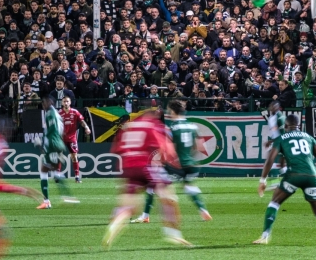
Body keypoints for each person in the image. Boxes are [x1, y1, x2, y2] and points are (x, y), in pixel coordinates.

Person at [105, 101, 191, 248]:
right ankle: (173, 234)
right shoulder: (153, 125)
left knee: (129, 206)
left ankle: (114, 225)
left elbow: (117, 148)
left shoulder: (128, 127)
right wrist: (174, 163)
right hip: (147, 166)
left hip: (128, 167)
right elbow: (164, 148)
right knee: (169, 197)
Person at [254, 114, 316, 245]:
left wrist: (263, 181)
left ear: (286, 126)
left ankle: (265, 236)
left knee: (274, 203)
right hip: (311, 176)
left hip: (293, 176)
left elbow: (270, 159)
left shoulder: (282, 138)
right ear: (299, 126)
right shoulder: (309, 137)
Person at [132, 100, 212, 223]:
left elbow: (167, 149)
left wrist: (165, 162)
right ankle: (204, 211)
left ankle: (145, 216)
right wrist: (188, 158)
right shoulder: (193, 126)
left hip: (177, 166)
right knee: (189, 187)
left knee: (151, 185)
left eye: (169, 110)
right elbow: (200, 147)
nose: (168, 113)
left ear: (173, 111)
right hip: (191, 164)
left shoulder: (171, 128)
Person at [34, 96, 73, 209]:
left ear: (50, 102)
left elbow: (51, 132)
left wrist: (42, 144)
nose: (43, 105)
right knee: (55, 171)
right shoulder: (56, 113)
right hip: (58, 143)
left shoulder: (50, 114)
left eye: (44, 102)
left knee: (44, 170)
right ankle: (67, 197)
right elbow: (60, 131)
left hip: (52, 144)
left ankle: (47, 201)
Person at [59, 96, 91, 183]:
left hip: (72, 138)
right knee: (59, 156)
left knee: (74, 156)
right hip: (61, 138)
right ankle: (57, 175)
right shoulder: (59, 113)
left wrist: (87, 127)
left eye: (67, 101)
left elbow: (81, 121)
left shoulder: (75, 112)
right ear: (62, 103)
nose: (66, 103)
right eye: (64, 101)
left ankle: (77, 176)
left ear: (70, 102)